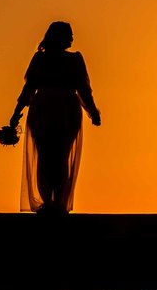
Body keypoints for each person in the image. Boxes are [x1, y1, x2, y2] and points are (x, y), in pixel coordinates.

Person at [9, 21, 101, 214]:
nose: (72, 38)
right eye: (69, 34)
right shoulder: (67, 60)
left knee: (49, 156)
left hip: (49, 108)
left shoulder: (49, 59)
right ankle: (55, 202)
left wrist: (16, 113)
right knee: (57, 157)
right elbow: (83, 89)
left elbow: (29, 89)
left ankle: (53, 202)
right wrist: (93, 112)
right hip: (60, 109)